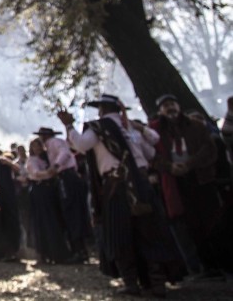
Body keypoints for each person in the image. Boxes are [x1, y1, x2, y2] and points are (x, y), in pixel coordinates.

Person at [59, 94, 182, 297]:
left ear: (103, 109)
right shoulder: (131, 128)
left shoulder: (100, 127)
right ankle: (156, 282)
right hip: (141, 184)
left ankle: (132, 283)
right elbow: (151, 151)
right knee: (150, 233)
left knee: (121, 235)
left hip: (117, 187)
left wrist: (69, 126)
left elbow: (80, 145)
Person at [149, 94, 229, 277]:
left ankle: (223, 263)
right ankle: (206, 266)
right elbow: (152, 156)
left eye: (172, 104)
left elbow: (209, 149)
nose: (170, 108)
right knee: (192, 225)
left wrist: (190, 164)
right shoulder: (156, 131)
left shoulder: (196, 126)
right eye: (165, 106)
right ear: (160, 110)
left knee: (213, 221)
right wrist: (170, 167)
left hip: (201, 178)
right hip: (177, 183)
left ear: (178, 106)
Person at [34, 125, 91, 261]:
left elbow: (64, 153)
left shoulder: (54, 143)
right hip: (63, 178)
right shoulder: (50, 146)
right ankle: (78, 249)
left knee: (72, 212)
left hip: (66, 177)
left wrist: (56, 166)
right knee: (69, 212)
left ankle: (80, 250)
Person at [25, 138, 74, 265]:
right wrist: (50, 173)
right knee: (45, 221)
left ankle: (56, 252)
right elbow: (36, 173)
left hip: (49, 191)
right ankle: (45, 253)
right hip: (40, 191)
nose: (38, 149)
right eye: (35, 147)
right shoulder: (31, 161)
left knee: (53, 220)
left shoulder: (46, 159)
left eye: (39, 146)